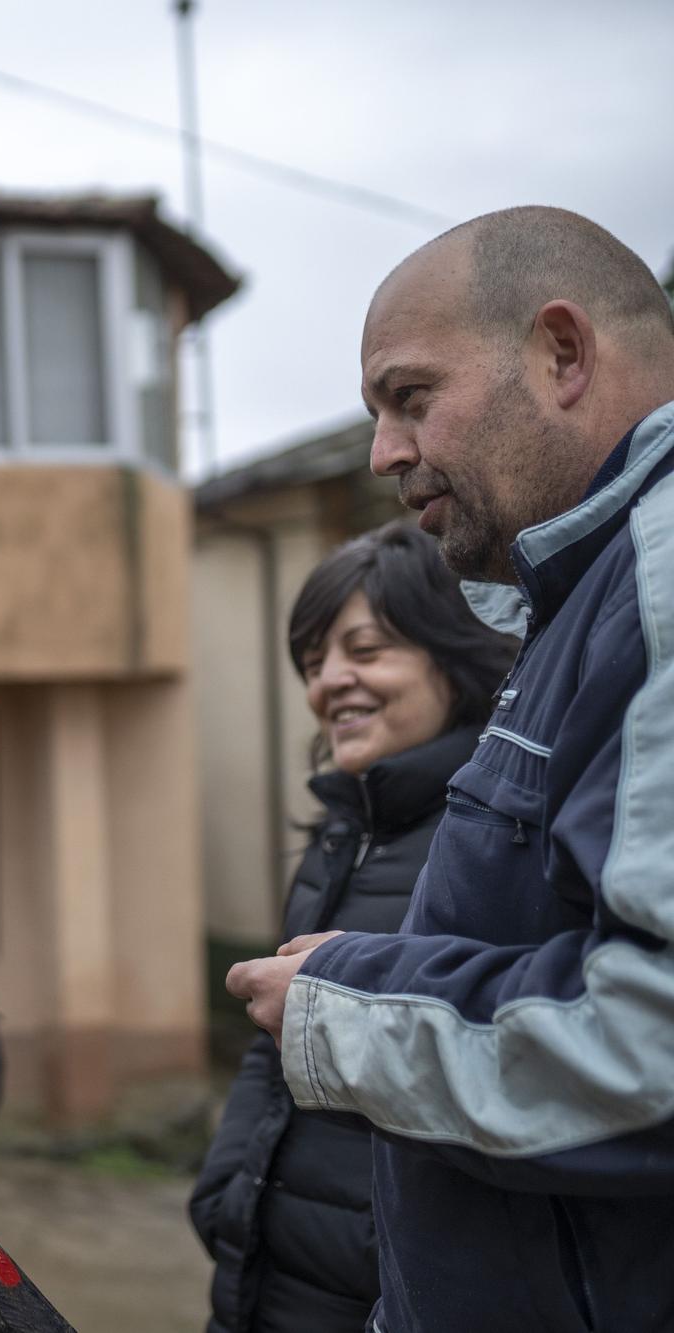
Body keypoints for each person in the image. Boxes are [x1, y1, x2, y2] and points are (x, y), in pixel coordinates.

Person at [226, 206, 674, 1332]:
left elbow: (652, 1052)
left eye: (409, 395)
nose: (380, 451)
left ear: (560, 354)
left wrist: (342, 1010)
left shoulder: (656, 590)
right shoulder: (582, 598)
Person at [191, 522, 518, 1333]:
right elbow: (271, 1046)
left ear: (451, 655)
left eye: (366, 651)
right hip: (264, 1282)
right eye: (312, 662)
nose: (332, 682)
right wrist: (229, 1186)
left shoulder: (493, 843)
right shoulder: (339, 836)